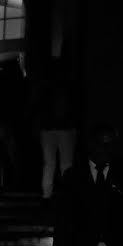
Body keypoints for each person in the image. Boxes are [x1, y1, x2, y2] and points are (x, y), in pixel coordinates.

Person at [36, 56, 78, 200]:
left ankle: (46, 194)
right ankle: (66, 194)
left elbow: (39, 107)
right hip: (65, 127)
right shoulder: (68, 85)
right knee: (66, 162)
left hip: (47, 128)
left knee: (49, 162)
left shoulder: (44, 86)